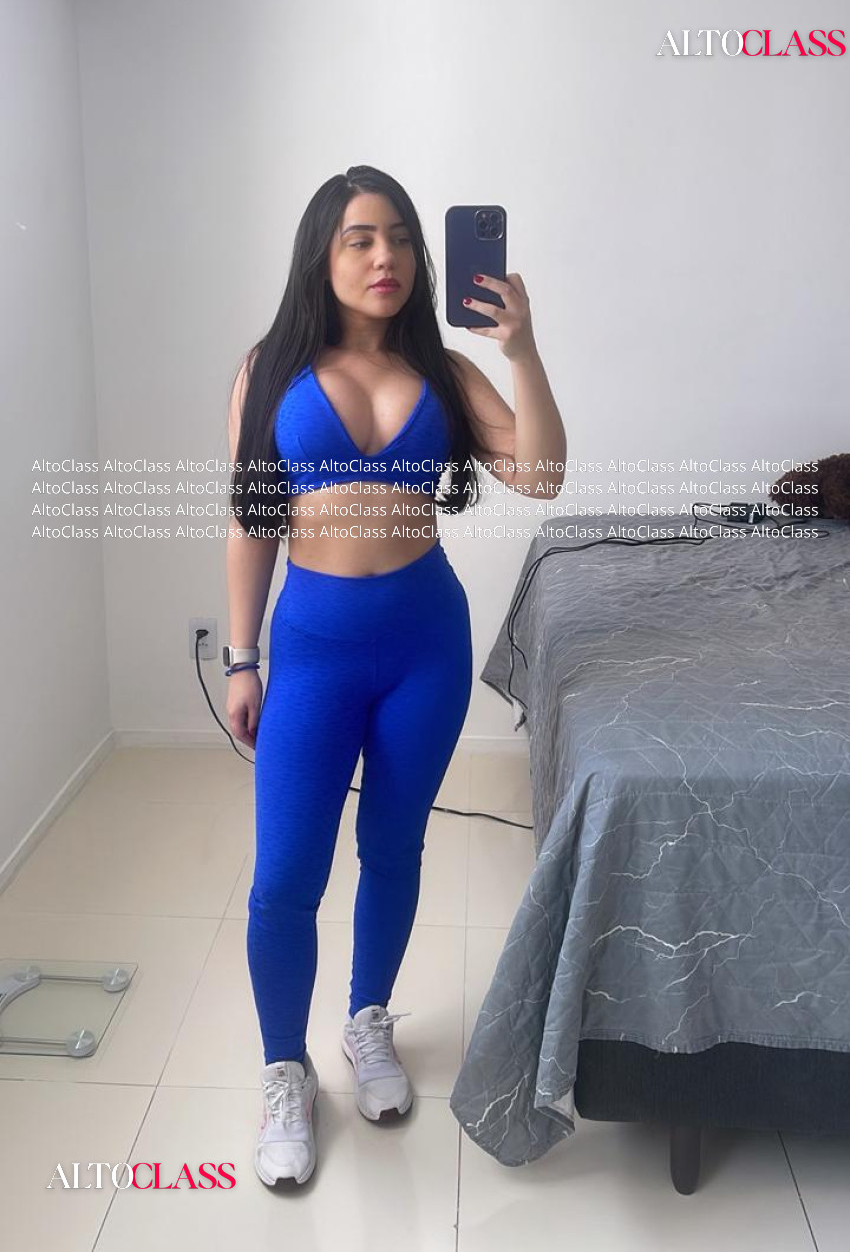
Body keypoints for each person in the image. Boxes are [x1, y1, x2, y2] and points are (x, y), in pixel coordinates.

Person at [224, 164, 565, 1187]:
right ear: (322, 256)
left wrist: (520, 350)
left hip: (424, 645)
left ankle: (366, 1019)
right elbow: (251, 518)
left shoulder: (446, 372)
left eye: (402, 239)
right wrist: (242, 657)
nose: (387, 257)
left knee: (393, 845)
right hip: (314, 653)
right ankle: (284, 1068)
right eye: (361, 239)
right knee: (286, 875)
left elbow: (542, 472)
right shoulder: (269, 370)